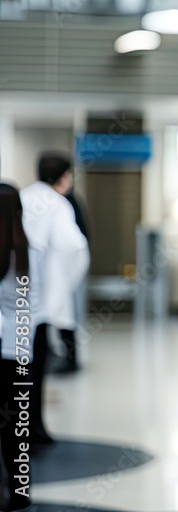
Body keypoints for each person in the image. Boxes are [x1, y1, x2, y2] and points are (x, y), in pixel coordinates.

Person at [18, 152, 89, 447]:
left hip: (14, 301)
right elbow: (74, 245)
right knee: (36, 368)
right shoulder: (58, 204)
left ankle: (19, 431)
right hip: (41, 303)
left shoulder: (21, 197)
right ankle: (34, 428)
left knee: (17, 369)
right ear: (63, 177)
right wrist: (63, 284)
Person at [0, 183, 31, 510]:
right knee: (16, 428)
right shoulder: (26, 250)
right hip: (17, 349)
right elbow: (27, 307)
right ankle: (20, 491)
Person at [51, 188, 88, 374]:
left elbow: (77, 243)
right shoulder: (57, 202)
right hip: (59, 272)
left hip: (64, 271)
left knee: (66, 317)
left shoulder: (65, 202)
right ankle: (62, 356)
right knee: (59, 317)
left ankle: (71, 360)